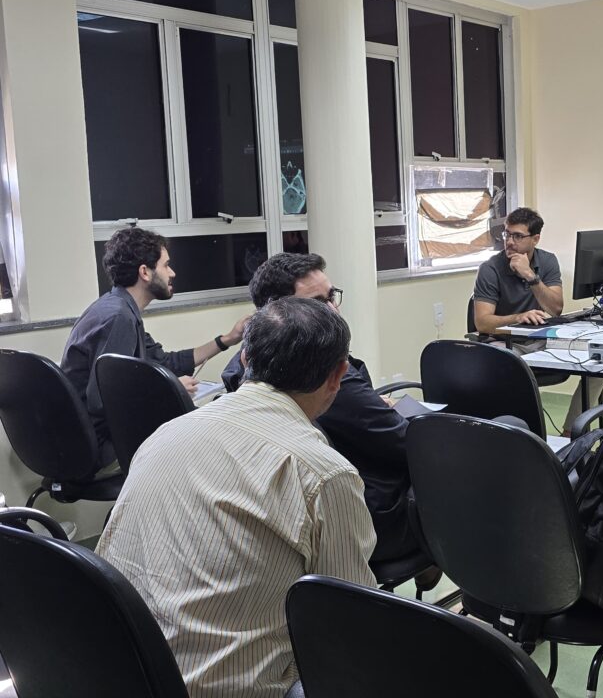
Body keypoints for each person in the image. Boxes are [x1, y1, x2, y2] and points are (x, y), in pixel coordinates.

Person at [97, 297, 376, 698]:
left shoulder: (165, 434)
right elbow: (351, 625)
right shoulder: (322, 473)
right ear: (338, 376)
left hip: (124, 674)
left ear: (245, 358)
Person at [222, 252, 420, 564]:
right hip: (366, 516)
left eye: (331, 297)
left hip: (289, 516)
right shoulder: (321, 376)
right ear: (279, 311)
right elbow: (406, 443)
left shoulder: (241, 365)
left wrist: (368, 405)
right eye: (317, 302)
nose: (333, 310)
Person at [61, 227, 247, 470]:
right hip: (102, 447)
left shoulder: (119, 307)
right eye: (166, 265)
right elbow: (102, 400)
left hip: (94, 439)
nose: (172, 273)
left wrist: (228, 339)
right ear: (145, 272)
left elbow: (165, 362)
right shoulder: (118, 318)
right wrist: (168, 390)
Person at [472, 206, 603, 432]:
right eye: (507, 234)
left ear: (535, 239)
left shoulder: (548, 261)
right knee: (511, 363)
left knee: (600, 358)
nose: (509, 242)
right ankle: (528, 436)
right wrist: (518, 317)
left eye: (517, 236)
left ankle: (571, 432)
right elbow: (482, 323)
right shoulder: (490, 269)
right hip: (504, 342)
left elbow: (555, 309)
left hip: (541, 339)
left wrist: (530, 276)